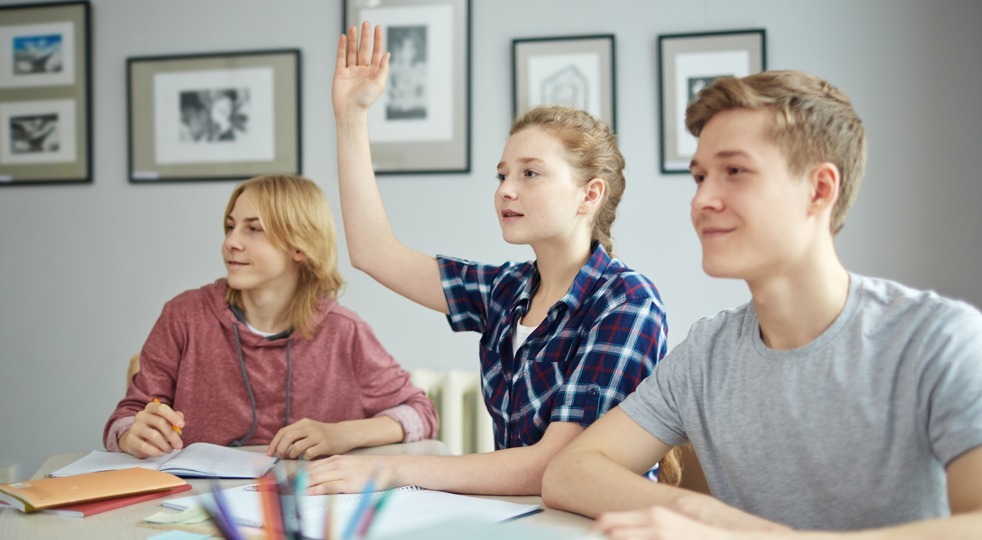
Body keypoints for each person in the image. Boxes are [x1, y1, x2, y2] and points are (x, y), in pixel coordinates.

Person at [542, 70, 982, 538]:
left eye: (735, 172)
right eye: (700, 177)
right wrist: (705, 515)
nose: (702, 200)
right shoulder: (706, 354)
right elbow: (569, 472)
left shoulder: (940, 338)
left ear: (819, 189)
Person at [306, 23, 668, 496]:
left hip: (594, 523)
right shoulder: (506, 290)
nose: (506, 191)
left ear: (590, 194)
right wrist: (351, 118)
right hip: (518, 517)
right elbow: (374, 253)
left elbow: (555, 466)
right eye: (502, 175)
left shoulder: (627, 302)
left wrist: (389, 469)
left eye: (530, 173)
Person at [104, 174, 438, 460]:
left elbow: (421, 414)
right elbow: (124, 419)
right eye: (230, 226)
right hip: (200, 503)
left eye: (253, 229)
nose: (231, 242)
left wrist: (343, 434)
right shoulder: (184, 316)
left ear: (299, 246)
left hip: (307, 503)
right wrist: (132, 435)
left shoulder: (344, 332)